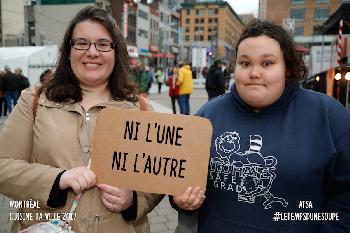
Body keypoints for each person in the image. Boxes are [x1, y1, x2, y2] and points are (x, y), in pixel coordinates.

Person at [173, 19, 350, 232]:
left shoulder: (329, 116)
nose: (254, 73)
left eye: (267, 63)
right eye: (245, 63)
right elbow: (181, 181)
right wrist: (182, 202)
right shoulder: (207, 115)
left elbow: (344, 201)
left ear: (287, 67)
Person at [0, 6, 162, 232]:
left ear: (116, 52)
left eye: (103, 44)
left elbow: (159, 178)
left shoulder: (141, 109)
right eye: (82, 43)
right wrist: (57, 179)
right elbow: (3, 166)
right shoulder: (35, 101)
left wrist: (133, 200)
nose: (92, 52)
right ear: (69, 50)